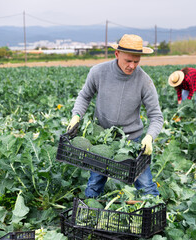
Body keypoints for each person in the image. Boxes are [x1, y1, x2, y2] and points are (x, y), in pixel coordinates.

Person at [66, 34, 163, 197]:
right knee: (95, 183)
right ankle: (91, 215)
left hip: (132, 141)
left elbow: (156, 116)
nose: (132, 65)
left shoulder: (144, 81)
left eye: (136, 61)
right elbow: (84, 96)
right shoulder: (98, 72)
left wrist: (149, 137)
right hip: (103, 138)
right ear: (117, 54)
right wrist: (76, 116)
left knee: (146, 185)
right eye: (128, 61)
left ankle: (153, 213)